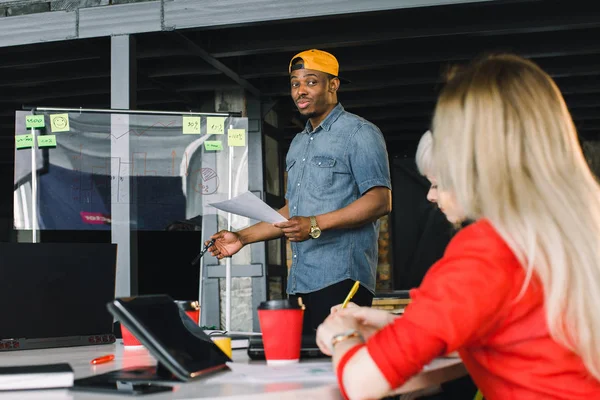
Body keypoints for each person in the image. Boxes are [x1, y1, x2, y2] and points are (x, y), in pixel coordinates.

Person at [315, 53, 600, 400]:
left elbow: (362, 384)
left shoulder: (491, 248)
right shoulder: (574, 231)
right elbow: (506, 328)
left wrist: (341, 334)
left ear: (469, 154)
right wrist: (397, 326)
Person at [206, 49, 392, 333]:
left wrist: (315, 224)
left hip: (342, 278)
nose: (300, 91)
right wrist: (242, 238)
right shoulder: (298, 144)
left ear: (333, 84)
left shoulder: (360, 133)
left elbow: (380, 201)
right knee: (305, 367)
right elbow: (293, 211)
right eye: (295, 83)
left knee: (334, 366)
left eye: (311, 82)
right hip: (301, 280)